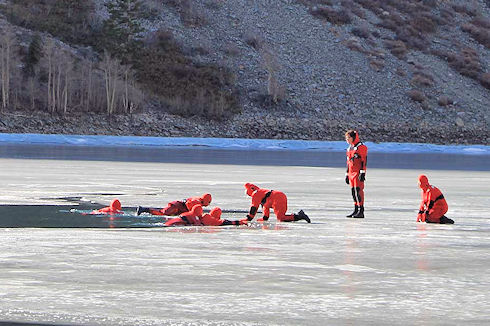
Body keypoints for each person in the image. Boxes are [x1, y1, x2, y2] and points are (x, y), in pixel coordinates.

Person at [243, 183, 310, 223]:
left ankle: (300, 216)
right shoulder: (261, 192)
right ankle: (299, 215)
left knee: (281, 218)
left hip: (277, 198)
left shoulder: (256, 194)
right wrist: (265, 218)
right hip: (279, 195)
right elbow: (265, 206)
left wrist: (248, 219)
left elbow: (254, 208)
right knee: (281, 217)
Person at [345, 130, 368, 218]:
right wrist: (347, 174)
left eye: (348, 138)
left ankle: (361, 210)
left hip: (358, 172)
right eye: (346, 138)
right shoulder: (349, 148)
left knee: (358, 191)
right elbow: (348, 162)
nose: (347, 140)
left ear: (353, 137)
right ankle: (355, 209)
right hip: (351, 172)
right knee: (353, 192)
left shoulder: (361, 147)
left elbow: (364, 161)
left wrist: (362, 172)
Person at [136, 193, 212, 216]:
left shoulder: (198, 200)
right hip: (177, 206)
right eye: (209, 202)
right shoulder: (197, 201)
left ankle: (144, 210)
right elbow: (189, 204)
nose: (208, 204)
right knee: (162, 213)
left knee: (163, 213)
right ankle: (143, 209)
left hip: (178, 208)